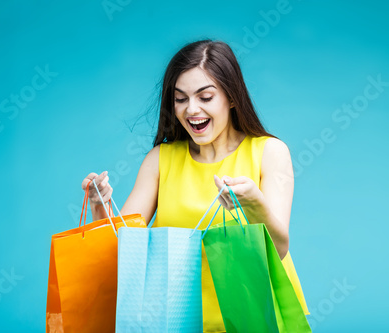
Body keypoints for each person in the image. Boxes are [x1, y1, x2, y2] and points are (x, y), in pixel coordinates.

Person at [81, 39, 309, 332]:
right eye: (180, 98)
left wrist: (254, 203)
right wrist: (100, 208)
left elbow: (277, 249)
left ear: (232, 97)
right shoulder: (160, 159)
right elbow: (124, 253)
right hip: (178, 318)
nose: (191, 109)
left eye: (205, 97)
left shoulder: (270, 152)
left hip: (254, 316)